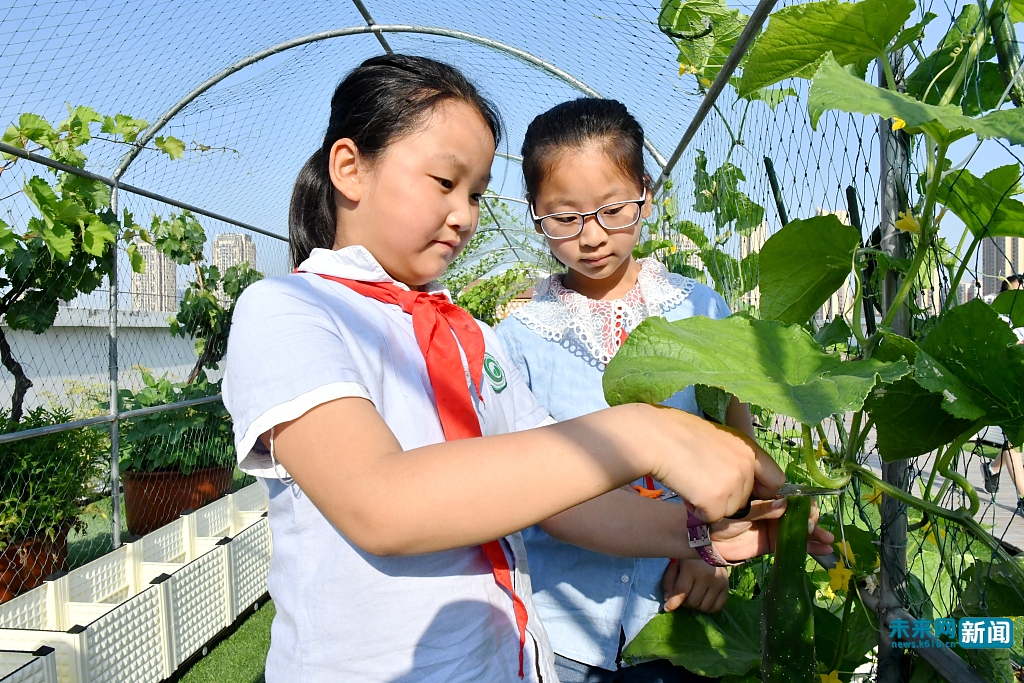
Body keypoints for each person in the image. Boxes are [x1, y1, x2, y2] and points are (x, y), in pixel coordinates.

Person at [223, 55, 832, 683]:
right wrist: (649, 433)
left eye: (477, 193)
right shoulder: (289, 311)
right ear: (350, 168)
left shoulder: (473, 340)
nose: (464, 214)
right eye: (444, 182)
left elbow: (569, 506)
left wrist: (707, 535)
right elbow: (380, 502)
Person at [495, 98, 758, 683]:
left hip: (675, 609)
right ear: (534, 212)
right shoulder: (519, 340)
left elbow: (736, 444)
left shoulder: (698, 310)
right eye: (564, 217)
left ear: (645, 191)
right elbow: (524, 485)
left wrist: (717, 560)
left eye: (613, 209)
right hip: (560, 620)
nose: (591, 236)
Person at [982, 274, 1024, 512]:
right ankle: (1023, 496)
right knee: (1013, 440)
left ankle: (993, 469)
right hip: (1008, 383)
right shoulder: (1000, 316)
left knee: (1017, 437)